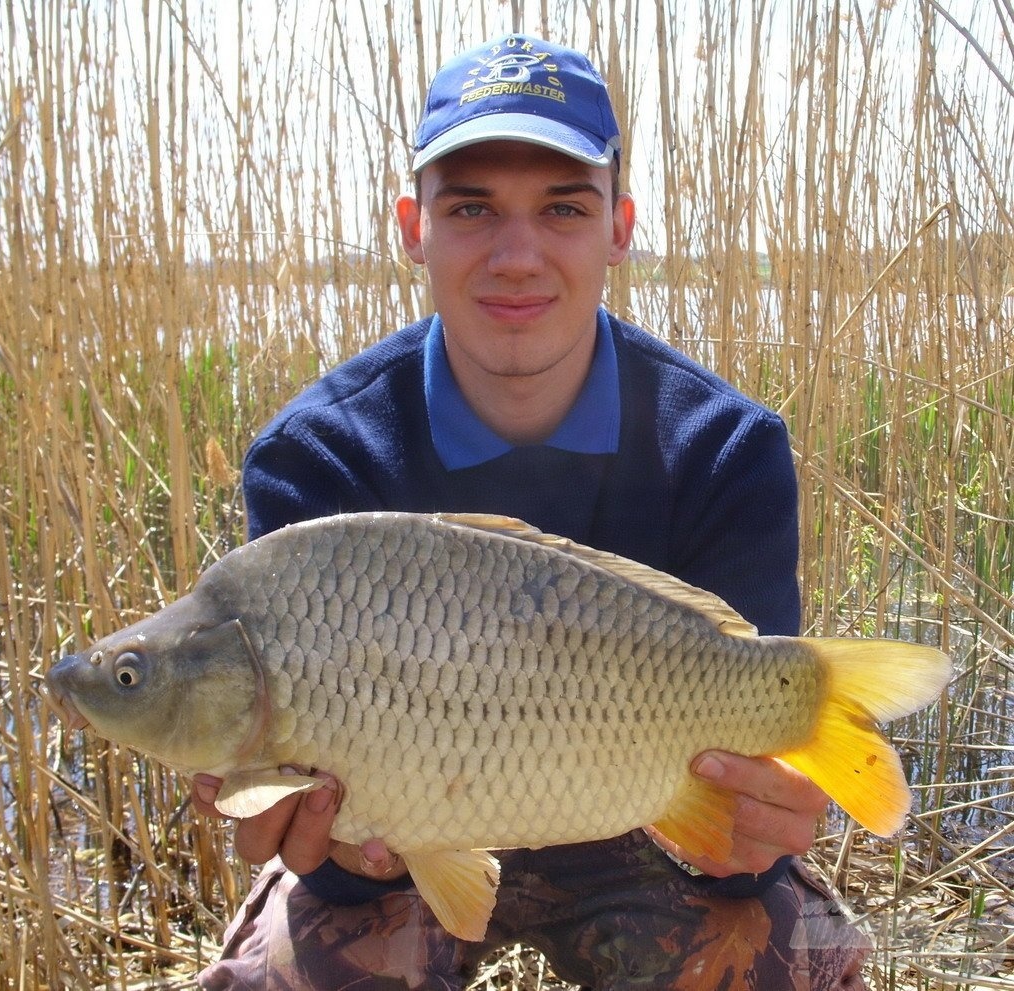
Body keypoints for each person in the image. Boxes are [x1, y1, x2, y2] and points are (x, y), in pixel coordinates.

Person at [192, 33, 870, 990]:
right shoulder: (318, 456)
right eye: (472, 208)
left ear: (619, 228)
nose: (518, 255)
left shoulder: (725, 448)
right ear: (412, 226)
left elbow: (745, 843)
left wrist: (756, 827)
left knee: (777, 962)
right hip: (412, 836)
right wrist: (331, 849)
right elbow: (334, 870)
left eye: (562, 208)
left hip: (638, 828)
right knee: (286, 973)